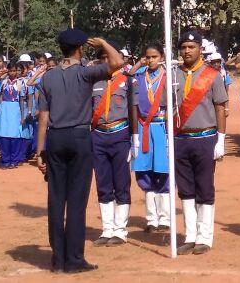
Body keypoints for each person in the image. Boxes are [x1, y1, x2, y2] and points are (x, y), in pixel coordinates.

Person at [35, 30, 123, 274]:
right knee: (76, 201)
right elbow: (118, 63)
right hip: (80, 136)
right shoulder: (85, 72)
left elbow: (43, 117)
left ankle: (58, 259)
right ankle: (74, 259)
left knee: (55, 199)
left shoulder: (48, 77)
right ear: (80, 49)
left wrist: (40, 150)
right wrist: (105, 42)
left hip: (55, 137)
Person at [172, 29, 228, 255]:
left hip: (205, 137)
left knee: (204, 188)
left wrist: (221, 140)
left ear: (200, 49)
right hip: (180, 138)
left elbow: (220, 107)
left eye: (191, 47)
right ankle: (190, 235)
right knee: (185, 189)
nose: (187, 51)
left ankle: (204, 236)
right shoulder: (173, 75)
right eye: (184, 47)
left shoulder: (212, 75)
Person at [90, 40, 132, 247]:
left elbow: (133, 111)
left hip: (120, 134)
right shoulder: (93, 82)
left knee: (121, 183)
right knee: (103, 183)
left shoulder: (128, 80)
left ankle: (120, 230)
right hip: (98, 135)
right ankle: (107, 229)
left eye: (109, 57)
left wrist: (134, 138)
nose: (106, 61)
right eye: (102, 58)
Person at [130, 43, 172, 235]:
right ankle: (151, 219)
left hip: (161, 127)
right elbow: (126, 77)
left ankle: (165, 218)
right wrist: (138, 65)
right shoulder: (139, 78)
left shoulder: (169, 77)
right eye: (147, 57)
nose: (150, 60)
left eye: (154, 57)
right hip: (143, 128)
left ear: (162, 57)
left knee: (163, 172)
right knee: (144, 172)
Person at [0, 61, 28, 168]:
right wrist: (2, 72)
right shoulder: (3, 82)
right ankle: (5, 160)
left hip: (15, 109)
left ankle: (14, 160)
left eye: (15, 71)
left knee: (15, 135)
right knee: (4, 135)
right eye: (11, 70)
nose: (13, 73)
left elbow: (22, 100)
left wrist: (22, 116)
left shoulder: (21, 83)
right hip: (4, 109)